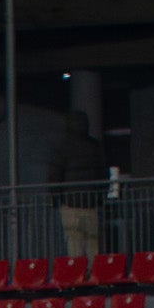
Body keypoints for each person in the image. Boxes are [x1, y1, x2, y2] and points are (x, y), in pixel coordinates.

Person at [48, 111, 107, 258]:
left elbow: (54, 176)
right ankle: (94, 275)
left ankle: (77, 275)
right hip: (91, 204)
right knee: (93, 244)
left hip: (70, 204)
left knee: (73, 243)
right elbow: (103, 174)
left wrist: (55, 199)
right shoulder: (95, 147)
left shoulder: (61, 147)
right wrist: (100, 197)